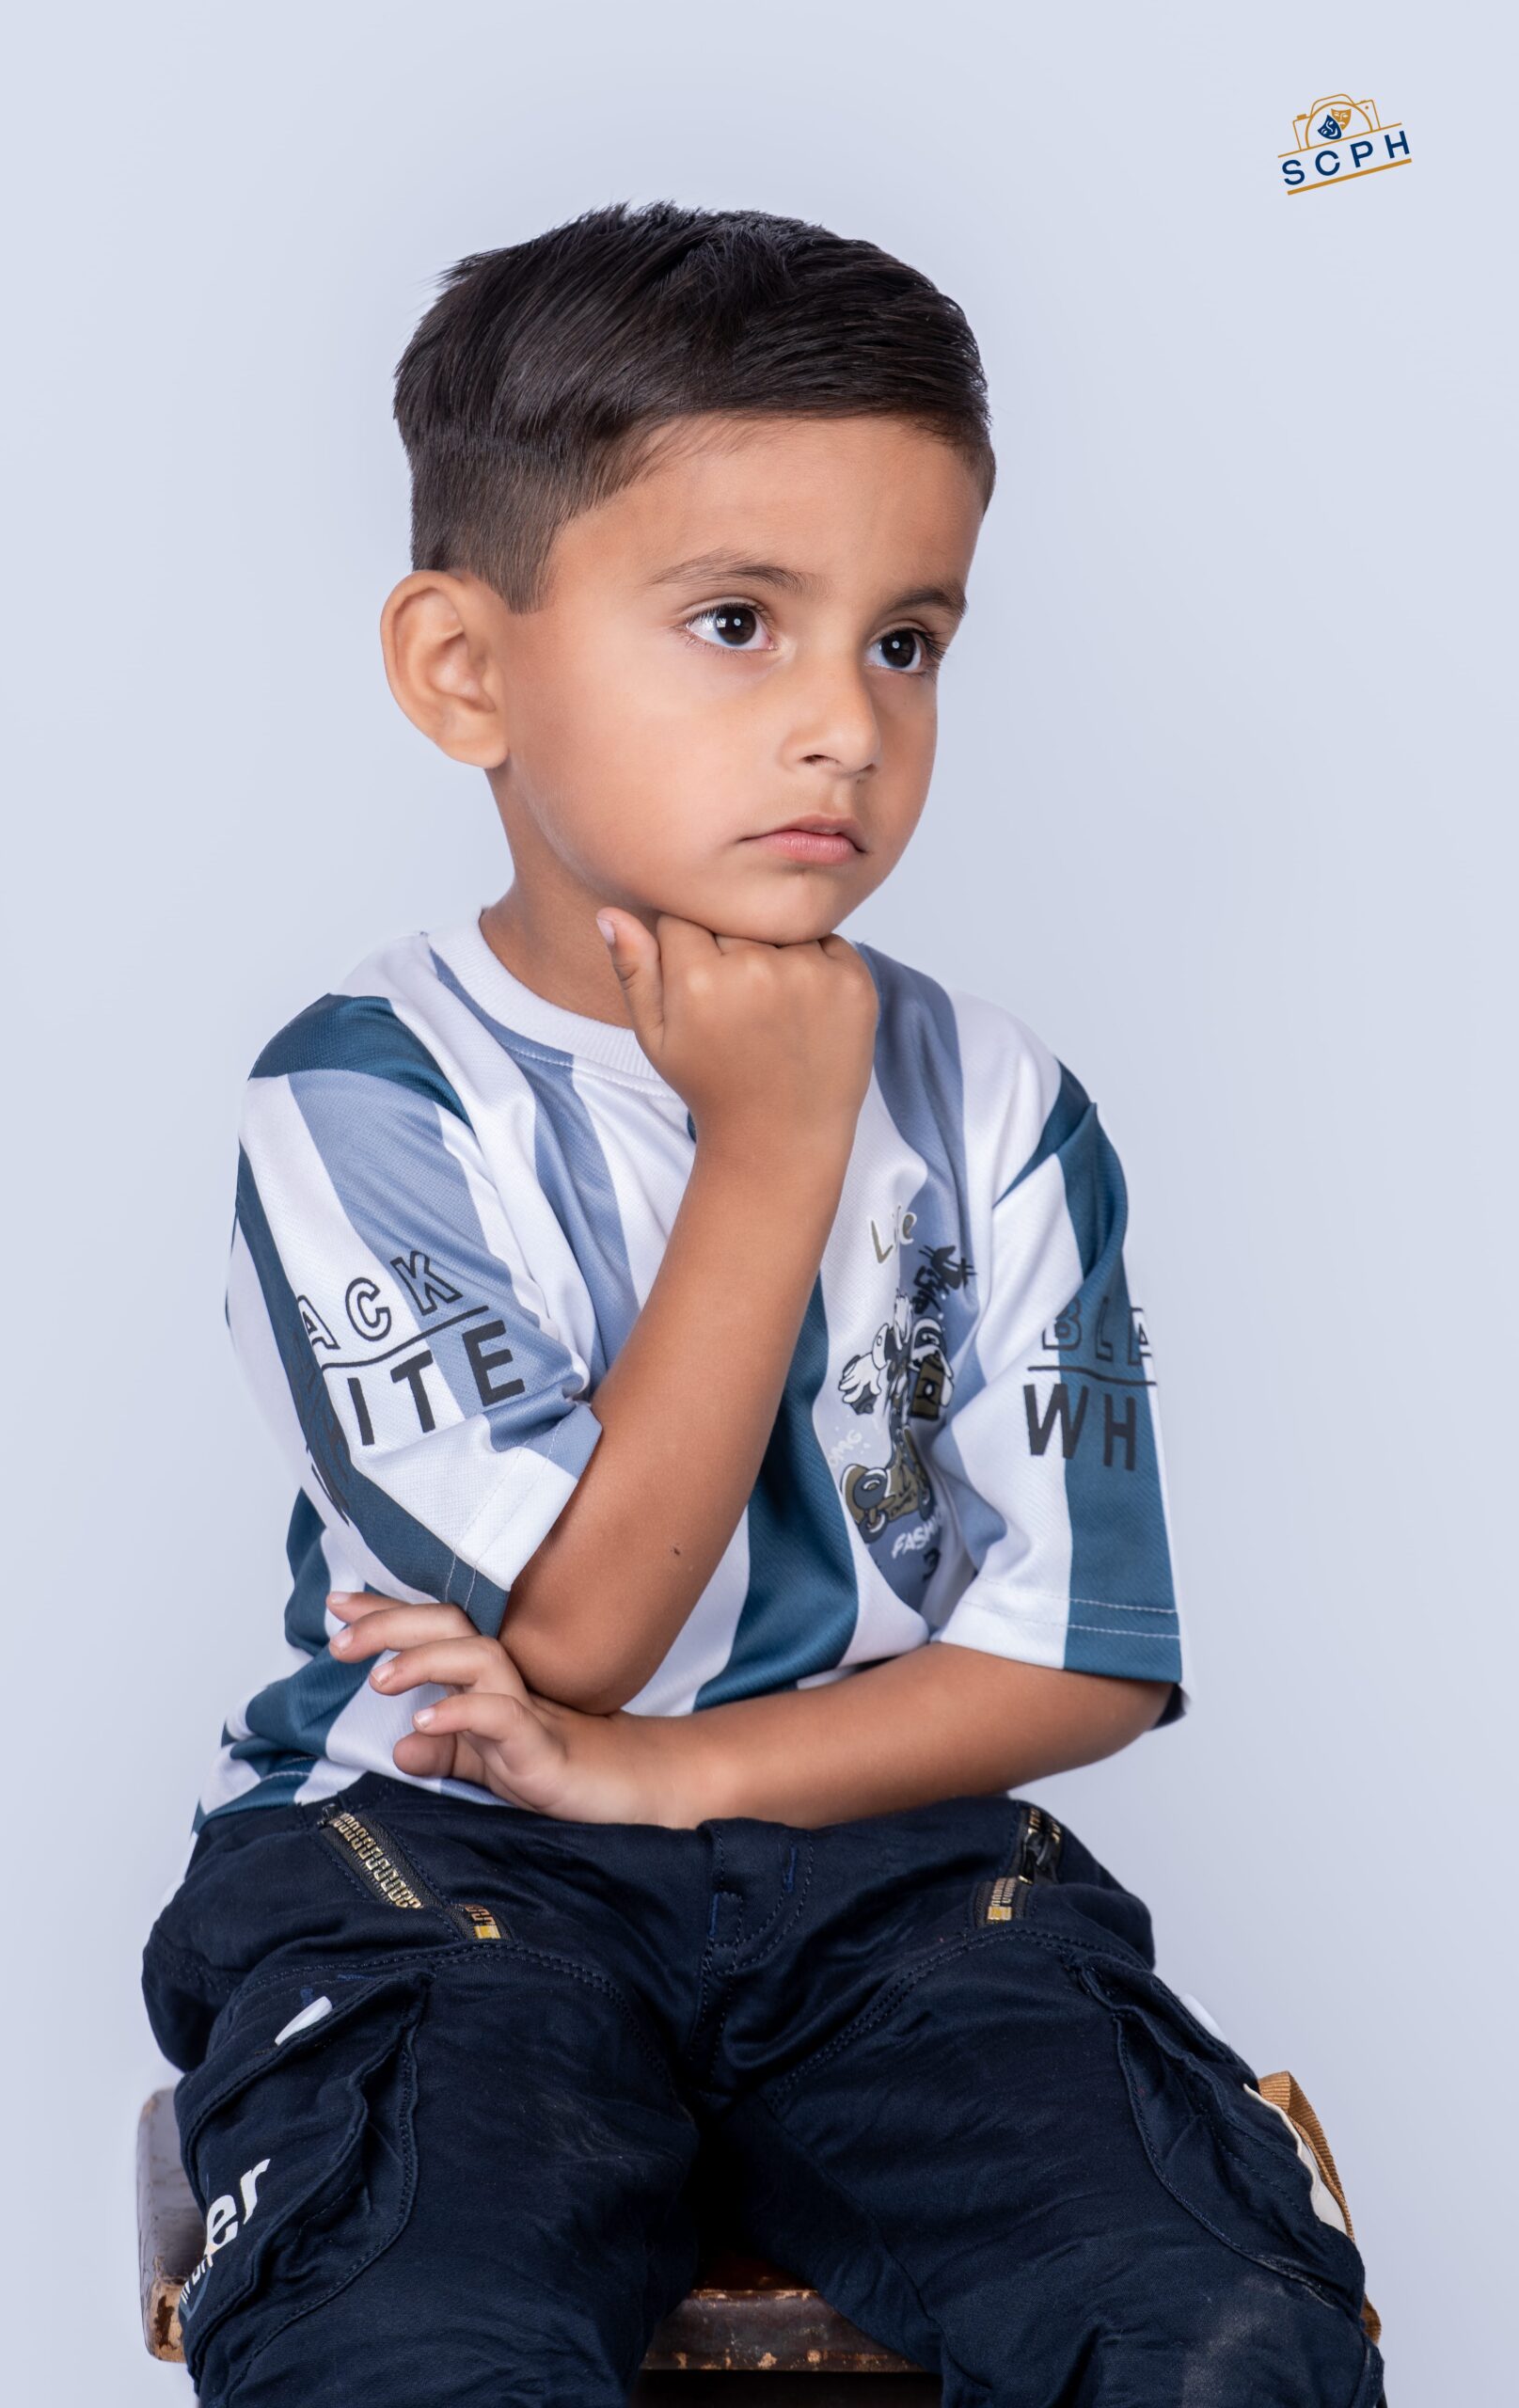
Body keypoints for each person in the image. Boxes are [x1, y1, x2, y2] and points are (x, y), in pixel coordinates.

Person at [140, 201, 1385, 2406]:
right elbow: (566, 1645)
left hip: (882, 1866)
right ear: (466, 668)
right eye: (738, 621)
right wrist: (776, 1142)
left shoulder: (999, 1102)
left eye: (907, 640)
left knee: (1213, 2323)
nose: (843, 725)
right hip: (440, 1855)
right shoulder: (363, 1100)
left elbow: (1079, 1652)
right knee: (415, 2333)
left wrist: (671, 1776)